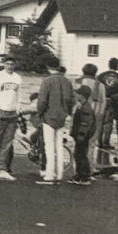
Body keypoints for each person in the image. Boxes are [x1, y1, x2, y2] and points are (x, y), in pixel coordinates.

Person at [35, 56, 73, 185]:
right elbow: (70, 100)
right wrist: (68, 112)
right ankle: (60, 173)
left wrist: (40, 113)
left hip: (49, 117)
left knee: (49, 147)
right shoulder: (67, 81)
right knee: (59, 147)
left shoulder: (47, 81)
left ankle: (49, 174)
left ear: (48, 67)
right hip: (62, 117)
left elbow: (42, 101)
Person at [69, 85, 97, 185]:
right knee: (79, 154)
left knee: (81, 155)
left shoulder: (85, 108)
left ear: (82, 96)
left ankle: (84, 175)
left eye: (78, 94)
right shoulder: (83, 105)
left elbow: (85, 123)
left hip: (83, 136)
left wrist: (81, 135)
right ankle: (80, 174)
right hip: (82, 135)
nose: (76, 95)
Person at [96, 57, 118, 150]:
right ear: (117, 65)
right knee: (108, 122)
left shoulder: (101, 75)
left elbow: (97, 87)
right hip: (112, 101)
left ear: (109, 64)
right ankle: (106, 142)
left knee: (100, 122)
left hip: (102, 100)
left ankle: (99, 141)